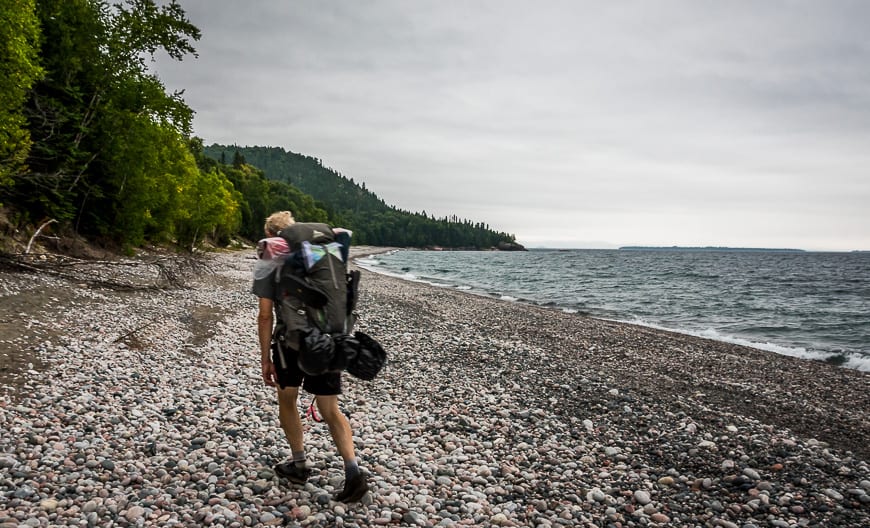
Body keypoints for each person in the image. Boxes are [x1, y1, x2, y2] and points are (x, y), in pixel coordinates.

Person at [252, 210, 369, 502]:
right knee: (330, 410)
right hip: (329, 340)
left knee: (287, 398)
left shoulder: (272, 256)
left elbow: (265, 315)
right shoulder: (326, 251)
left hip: (290, 343)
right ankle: (353, 471)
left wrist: (265, 357)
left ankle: (299, 463)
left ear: (272, 235)